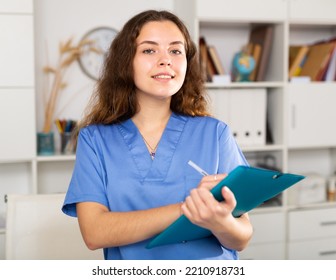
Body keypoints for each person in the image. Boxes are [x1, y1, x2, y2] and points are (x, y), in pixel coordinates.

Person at [62, 9, 253, 260]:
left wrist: (220, 221)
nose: (166, 60)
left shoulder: (216, 134)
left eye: (175, 51)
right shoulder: (95, 140)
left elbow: (241, 238)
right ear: (126, 61)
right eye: (149, 50)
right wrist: (189, 209)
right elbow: (94, 233)